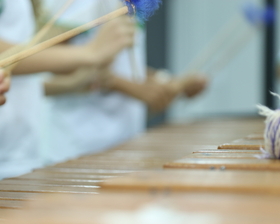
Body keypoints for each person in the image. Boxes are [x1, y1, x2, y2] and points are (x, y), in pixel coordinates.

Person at [41, 0, 208, 164]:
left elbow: (126, 68)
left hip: (124, 143)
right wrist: (127, 87)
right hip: (80, 144)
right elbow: (48, 61)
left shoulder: (132, 4)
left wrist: (167, 83)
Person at [0, 0, 133, 179]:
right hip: (11, 156)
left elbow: (23, 75)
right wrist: (90, 52)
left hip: (23, 150)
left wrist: (68, 84)